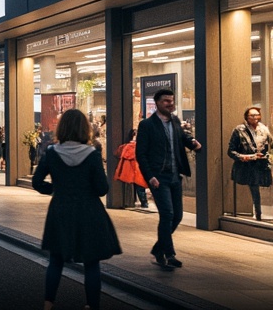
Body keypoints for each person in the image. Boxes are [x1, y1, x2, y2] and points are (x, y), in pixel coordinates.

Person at [32, 108, 121, 310]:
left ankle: (48, 304)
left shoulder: (52, 153)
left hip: (60, 209)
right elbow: (101, 189)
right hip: (89, 211)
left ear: (61, 129)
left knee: (56, 260)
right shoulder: (92, 154)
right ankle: (91, 305)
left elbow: (37, 182)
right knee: (91, 263)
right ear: (85, 129)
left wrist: (55, 189)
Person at [135, 88, 201, 271]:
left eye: (171, 101)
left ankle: (158, 248)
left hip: (175, 175)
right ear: (157, 103)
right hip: (158, 177)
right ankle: (169, 254)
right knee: (167, 214)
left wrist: (193, 143)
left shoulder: (175, 121)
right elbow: (141, 154)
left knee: (177, 216)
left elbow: (181, 138)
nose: (170, 104)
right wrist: (150, 177)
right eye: (166, 101)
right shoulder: (147, 125)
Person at [227, 106, 271, 220]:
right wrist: (245, 157)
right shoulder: (239, 130)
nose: (255, 117)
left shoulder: (263, 129)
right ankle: (258, 215)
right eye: (252, 115)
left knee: (262, 186)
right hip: (247, 166)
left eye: (257, 115)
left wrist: (267, 155)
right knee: (254, 188)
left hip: (262, 164)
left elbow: (271, 143)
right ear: (246, 117)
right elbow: (231, 151)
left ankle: (260, 215)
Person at [113, 127, 149, 210]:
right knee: (140, 187)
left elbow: (117, 153)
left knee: (129, 187)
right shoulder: (141, 147)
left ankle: (130, 201)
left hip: (128, 171)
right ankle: (144, 203)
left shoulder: (126, 147)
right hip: (139, 170)